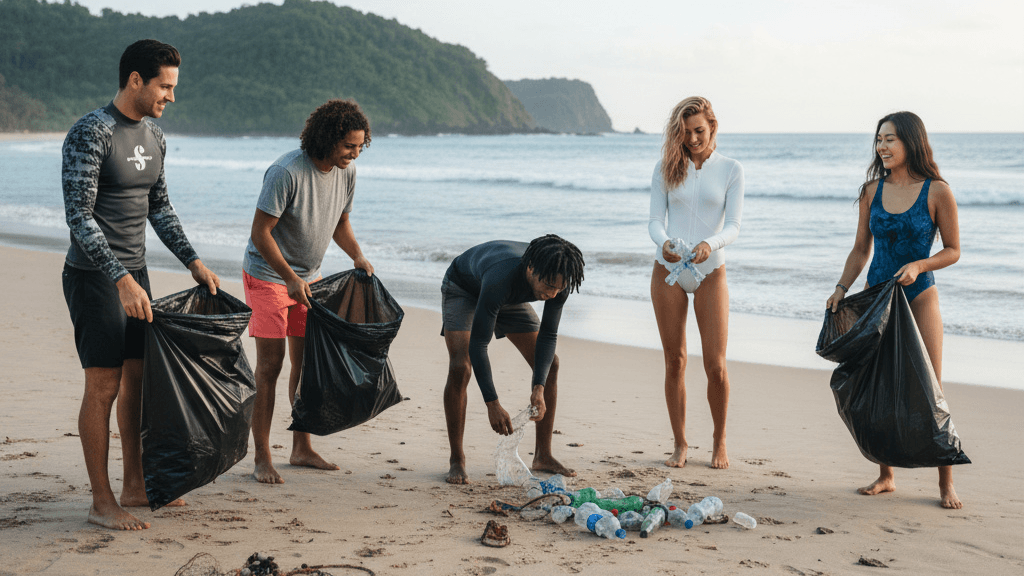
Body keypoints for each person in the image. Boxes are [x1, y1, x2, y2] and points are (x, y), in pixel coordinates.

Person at [61, 39, 221, 530]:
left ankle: (134, 484)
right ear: (136, 79)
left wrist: (193, 260)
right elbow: (79, 217)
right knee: (103, 385)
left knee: (137, 382)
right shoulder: (91, 133)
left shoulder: (155, 135)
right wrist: (120, 280)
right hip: (95, 278)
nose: (171, 96)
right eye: (165, 86)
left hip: (136, 275)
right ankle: (101, 501)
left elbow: (159, 206)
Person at [826, 111, 962, 509]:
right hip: (878, 298)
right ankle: (886, 476)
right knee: (882, 384)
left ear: (911, 142)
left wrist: (920, 265)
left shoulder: (937, 191)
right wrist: (840, 288)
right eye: (879, 139)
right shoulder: (871, 191)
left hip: (919, 295)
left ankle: (945, 483)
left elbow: (953, 250)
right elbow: (860, 249)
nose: (882, 146)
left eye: (891, 139)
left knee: (930, 387)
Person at [242, 99, 374, 484]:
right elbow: (260, 233)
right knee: (270, 366)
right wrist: (288, 277)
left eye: (360, 146)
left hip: (308, 280)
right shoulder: (286, 172)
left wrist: (358, 256)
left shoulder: (346, 173)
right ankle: (262, 457)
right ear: (328, 137)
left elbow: (340, 223)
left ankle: (301, 447)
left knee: (306, 365)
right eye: (349, 145)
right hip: (268, 276)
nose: (354, 153)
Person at [648, 96, 744, 470]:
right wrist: (665, 242)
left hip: (710, 271)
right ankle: (680, 443)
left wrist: (711, 243)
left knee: (715, 365)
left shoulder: (731, 169)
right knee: (675, 361)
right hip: (668, 269)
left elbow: (734, 225)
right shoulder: (665, 167)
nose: (692, 139)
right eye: (685, 132)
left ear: (712, 126)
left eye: (699, 131)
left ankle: (719, 442)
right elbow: (655, 220)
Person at [442, 235, 585, 484]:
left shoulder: (559, 281)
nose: (552, 294)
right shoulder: (502, 276)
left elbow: (548, 335)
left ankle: (543, 455)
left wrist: (538, 388)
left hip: (507, 299)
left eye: (558, 289)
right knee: (460, 367)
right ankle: (457, 459)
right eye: (549, 285)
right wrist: (492, 404)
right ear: (531, 268)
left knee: (552, 364)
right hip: (464, 288)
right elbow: (478, 344)